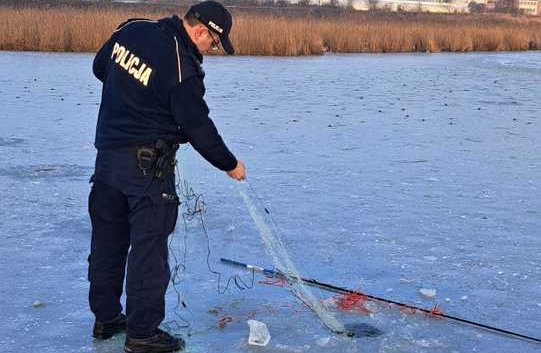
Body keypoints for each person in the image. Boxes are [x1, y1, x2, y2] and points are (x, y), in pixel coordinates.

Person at [88, 2, 246, 352]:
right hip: (147, 172)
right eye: (215, 44)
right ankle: (142, 333)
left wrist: (136, 95)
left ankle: (107, 319)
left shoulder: (131, 28)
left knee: (107, 246)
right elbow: (198, 128)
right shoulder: (182, 67)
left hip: (107, 163)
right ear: (202, 31)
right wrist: (229, 163)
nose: (213, 51)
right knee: (149, 251)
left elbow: (101, 67)